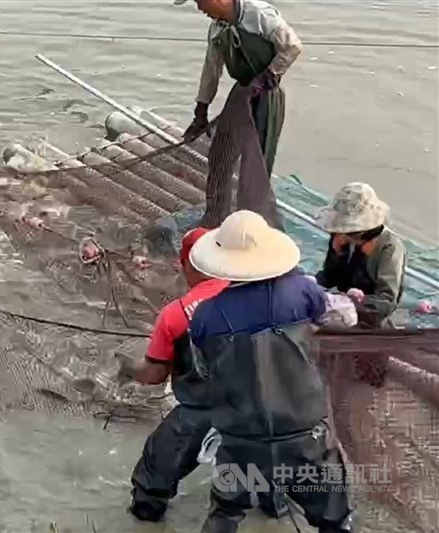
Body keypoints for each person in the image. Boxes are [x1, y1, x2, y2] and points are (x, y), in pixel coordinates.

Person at [185, 210, 356, 533]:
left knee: (225, 512)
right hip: (306, 437)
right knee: (335, 518)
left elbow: (204, 370)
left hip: (241, 439)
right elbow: (346, 318)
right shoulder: (302, 291)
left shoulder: (206, 315)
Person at [119, 228, 288, 523]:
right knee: (268, 485)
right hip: (262, 408)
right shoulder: (260, 294)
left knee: (153, 479)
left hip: (201, 411)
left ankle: (147, 513)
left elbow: (154, 374)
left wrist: (127, 366)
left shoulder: (175, 314)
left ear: (186, 263)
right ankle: (275, 505)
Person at [175, 0, 302, 177]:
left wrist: (267, 76)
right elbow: (211, 70)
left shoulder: (260, 16)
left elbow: (292, 47)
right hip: (241, 91)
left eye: (201, 2)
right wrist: (201, 110)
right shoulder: (217, 29)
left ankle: (253, 202)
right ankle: (220, 201)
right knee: (222, 152)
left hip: (266, 95)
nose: (200, 8)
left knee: (256, 158)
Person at [313, 182, 407, 328]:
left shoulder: (389, 247)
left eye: (352, 232)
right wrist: (310, 286)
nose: (345, 235)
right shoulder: (340, 237)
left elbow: (387, 301)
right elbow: (329, 275)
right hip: (339, 310)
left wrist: (351, 304)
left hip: (370, 320)